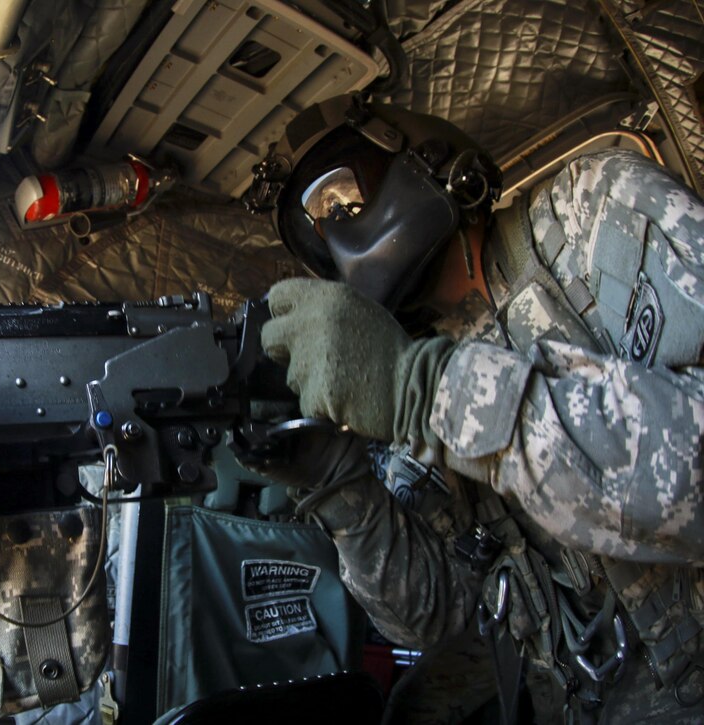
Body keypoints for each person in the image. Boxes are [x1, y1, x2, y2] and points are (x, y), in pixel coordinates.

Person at [249, 94, 704, 722]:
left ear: (427, 159)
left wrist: (433, 392)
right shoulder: (403, 373)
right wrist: (338, 486)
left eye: (343, 197)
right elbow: (431, 614)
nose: (340, 230)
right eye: (321, 229)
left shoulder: (597, 211)